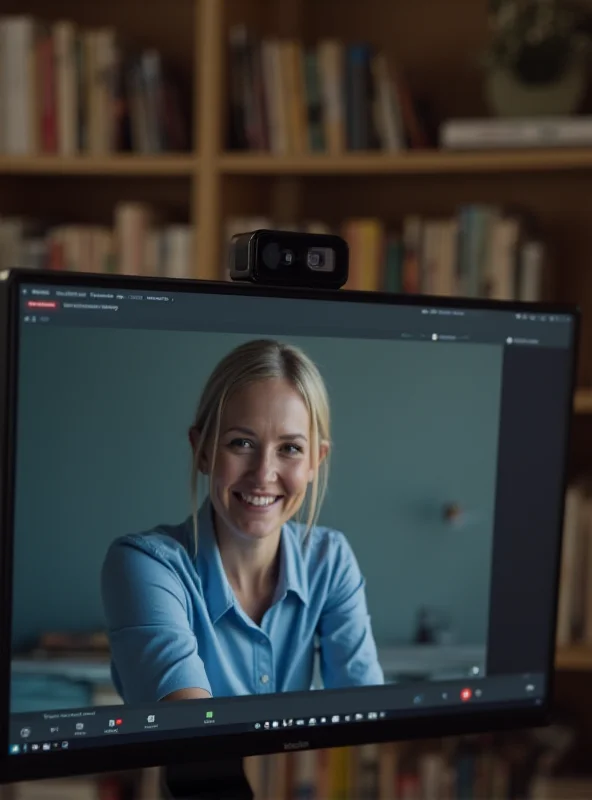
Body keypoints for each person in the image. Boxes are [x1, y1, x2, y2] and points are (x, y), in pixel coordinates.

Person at [101, 338, 384, 704]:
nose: (264, 474)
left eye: (291, 448)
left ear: (316, 460)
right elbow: (191, 734)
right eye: (241, 443)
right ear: (201, 451)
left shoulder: (329, 559)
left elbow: (368, 715)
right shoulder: (145, 565)